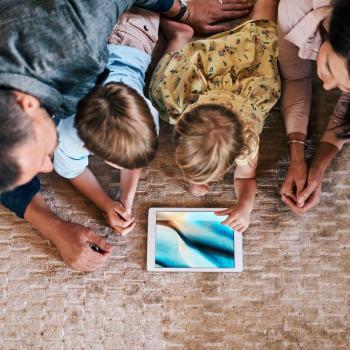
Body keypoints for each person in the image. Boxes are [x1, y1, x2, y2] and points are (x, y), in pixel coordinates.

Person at [0, 0, 253, 271]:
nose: (48, 167)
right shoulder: (69, 116)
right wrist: (53, 227)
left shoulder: (78, 35)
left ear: (25, 103)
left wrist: (183, 9)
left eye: (40, 158)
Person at [150, 0, 281, 233]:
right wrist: (195, 178)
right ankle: (179, 37)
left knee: (262, 34)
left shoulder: (248, 142)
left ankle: (180, 37)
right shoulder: (184, 103)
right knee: (161, 91)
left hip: (240, 75)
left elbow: (245, 179)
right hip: (212, 73)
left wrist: (245, 206)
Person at [54, 8, 160, 237]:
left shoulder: (147, 118)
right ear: (87, 147)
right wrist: (105, 202)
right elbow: (71, 172)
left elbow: (135, 158)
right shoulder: (67, 136)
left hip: (126, 35)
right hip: (129, 33)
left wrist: (126, 197)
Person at [278, 0, 350, 214]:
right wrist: (296, 155)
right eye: (328, 65)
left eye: (344, 87)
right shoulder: (295, 10)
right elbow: (296, 79)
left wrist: (317, 168)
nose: (327, 87)